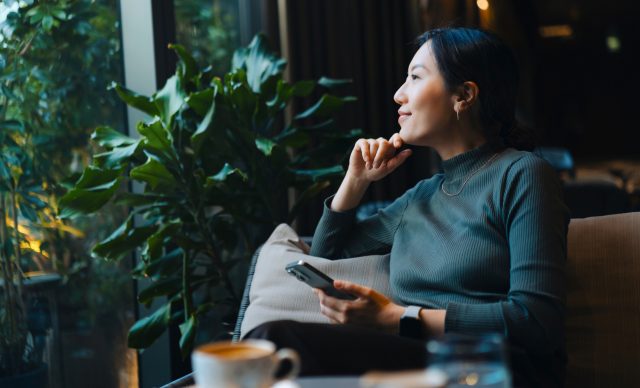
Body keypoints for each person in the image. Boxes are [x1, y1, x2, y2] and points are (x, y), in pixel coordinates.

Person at [246, 27, 569, 388]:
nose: (399, 95)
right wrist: (355, 181)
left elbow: (538, 322)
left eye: (415, 78)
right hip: (411, 365)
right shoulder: (420, 198)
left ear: (464, 95)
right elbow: (326, 256)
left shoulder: (522, 174)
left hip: (491, 368)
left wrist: (397, 318)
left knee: (274, 342)